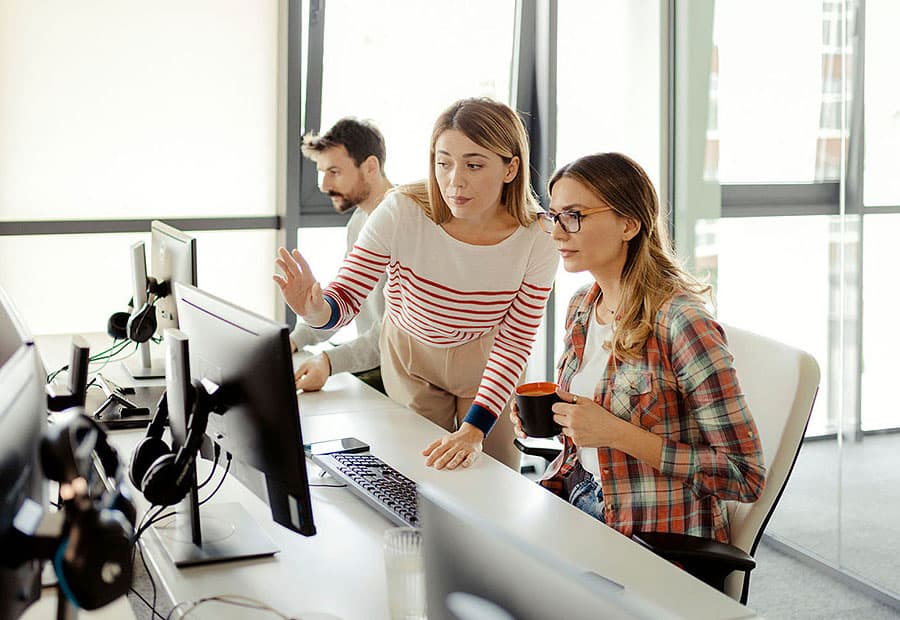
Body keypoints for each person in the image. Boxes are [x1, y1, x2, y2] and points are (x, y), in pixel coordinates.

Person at [274, 98, 558, 471]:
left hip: (488, 356)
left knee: (495, 474)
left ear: (511, 168)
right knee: (419, 473)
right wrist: (314, 309)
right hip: (411, 355)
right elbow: (346, 297)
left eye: (474, 165)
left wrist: (474, 429)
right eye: (443, 163)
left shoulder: (538, 235)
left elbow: (516, 340)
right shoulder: (401, 210)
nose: (455, 180)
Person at [511, 152, 765, 543]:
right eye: (554, 216)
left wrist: (618, 433)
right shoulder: (583, 305)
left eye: (573, 216)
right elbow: (593, 432)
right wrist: (558, 417)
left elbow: (745, 475)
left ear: (628, 224)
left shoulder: (682, 322)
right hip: (577, 495)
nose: (557, 233)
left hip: (650, 531)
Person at [290, 118, 393, 393]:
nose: (323, 186)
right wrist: (294, 340)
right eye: (322, 172)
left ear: (370, 167)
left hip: (401, 377)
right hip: (376, 367)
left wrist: (328, 361)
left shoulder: (405, 225)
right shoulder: (359, 221)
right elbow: (344, 305)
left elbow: (391, 335)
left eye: (334, 171)